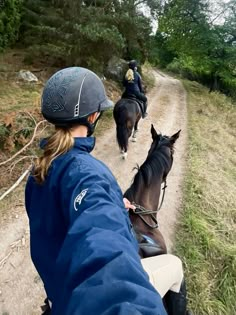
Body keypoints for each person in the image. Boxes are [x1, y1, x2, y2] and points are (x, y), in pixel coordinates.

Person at [25, 67, 190, 315]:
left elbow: (69, 212)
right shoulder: (89, 172)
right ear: (93, 118)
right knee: (175, 266)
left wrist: (112, 201)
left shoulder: (40, 169)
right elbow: (102, 241)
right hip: (78, 296)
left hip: (58, 291)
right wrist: (103, 203)